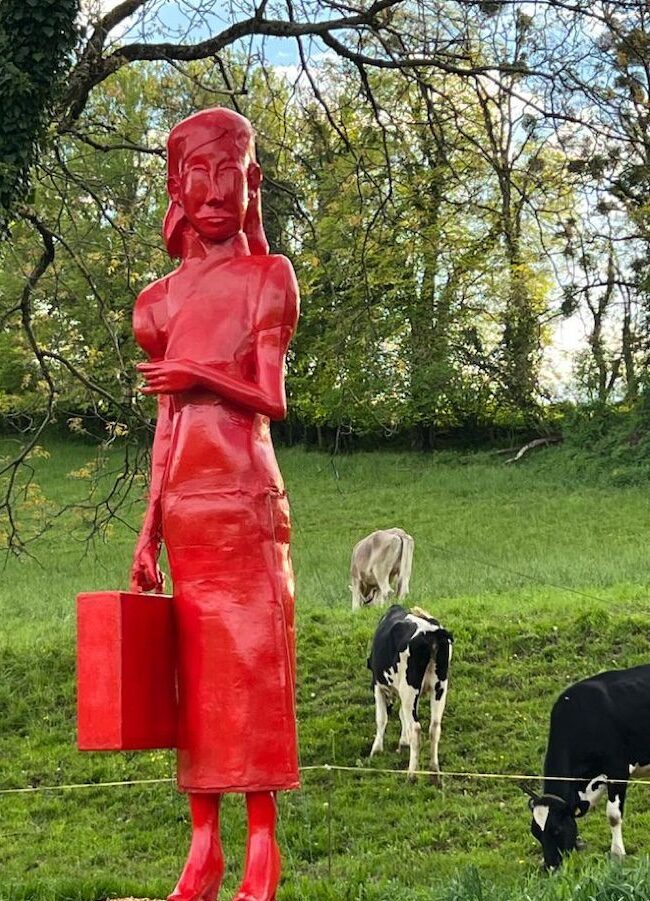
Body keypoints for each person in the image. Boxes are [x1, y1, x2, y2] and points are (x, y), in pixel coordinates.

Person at [130, 107, 300, 901]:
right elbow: (165, 426)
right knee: (195, 685)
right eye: (193, 173)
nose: (210, 190)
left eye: (225, 171)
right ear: (175, 184)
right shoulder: (157, 303)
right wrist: (146, 530)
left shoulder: (270, 279)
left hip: (247, 503)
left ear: (250, 180)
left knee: (256, 671)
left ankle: (260, 848)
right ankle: (204, 850)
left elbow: (269, 397)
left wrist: (199, 376)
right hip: (187, 515)